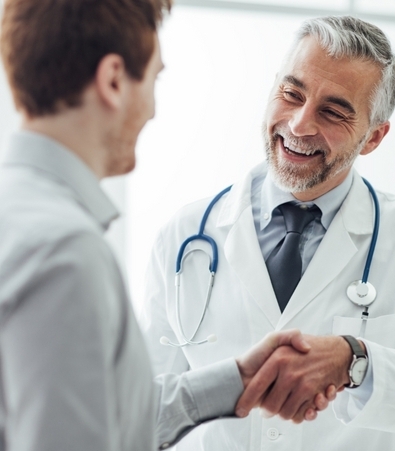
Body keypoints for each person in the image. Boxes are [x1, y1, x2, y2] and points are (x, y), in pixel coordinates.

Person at [141, 15, 395, 451]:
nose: (300, 125)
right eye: (291, 94)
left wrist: (353, 359)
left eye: (334, 112)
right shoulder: (184, 235)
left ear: (374, 136)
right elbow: (141, 410)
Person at [0, 1, 331, 450]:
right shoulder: (65, 252)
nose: (153, 110)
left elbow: (103, 413)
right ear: (114, 80)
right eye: (154, 78)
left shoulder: (19, 214)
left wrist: (235, 380)